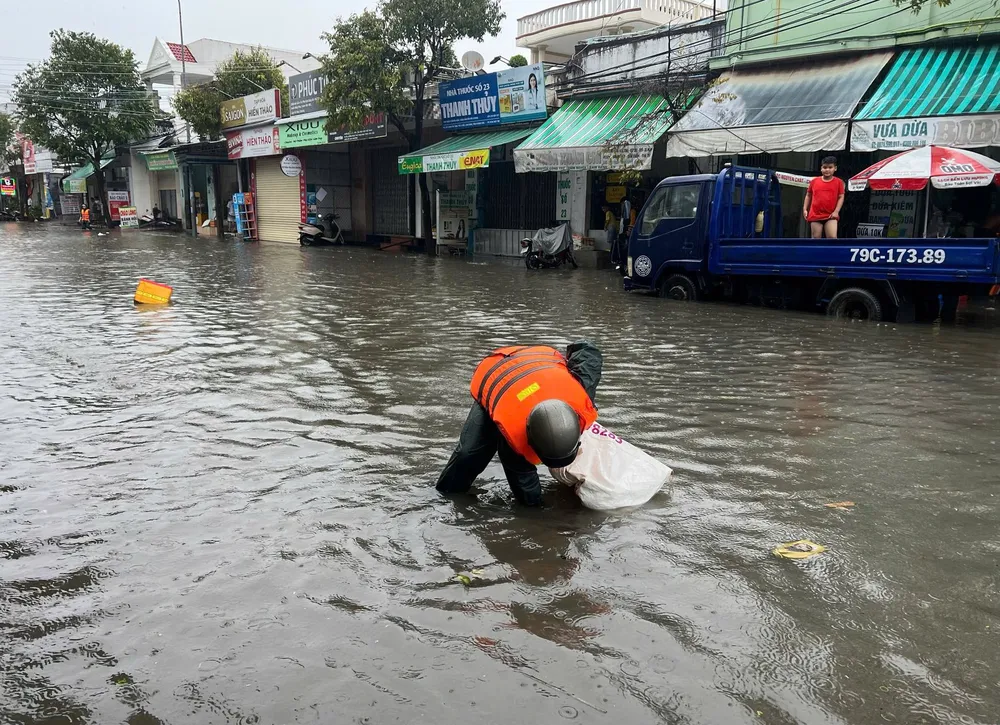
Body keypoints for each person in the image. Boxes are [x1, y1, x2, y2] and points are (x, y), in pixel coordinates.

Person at [435, 341, 603, 506]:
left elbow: (587, 351)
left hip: (538, 363)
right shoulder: (513, 434)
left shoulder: (582, 395)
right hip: (498, 373)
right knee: (469, 455)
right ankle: (446, 496)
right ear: (531, 440)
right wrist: (536, 511)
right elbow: (523, 482)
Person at [803, 156, 845, 239]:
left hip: (831, 215)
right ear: (821, 168)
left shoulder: (839, 182)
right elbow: (808, 195)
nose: (827, 170)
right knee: (816, 238)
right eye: (825, 167)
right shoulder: (814, 181)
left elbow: (841, 197)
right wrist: (805, 209)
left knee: (832, 237)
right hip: (815, 214)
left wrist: (836, 211)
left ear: (835, 168)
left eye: (830, 167)